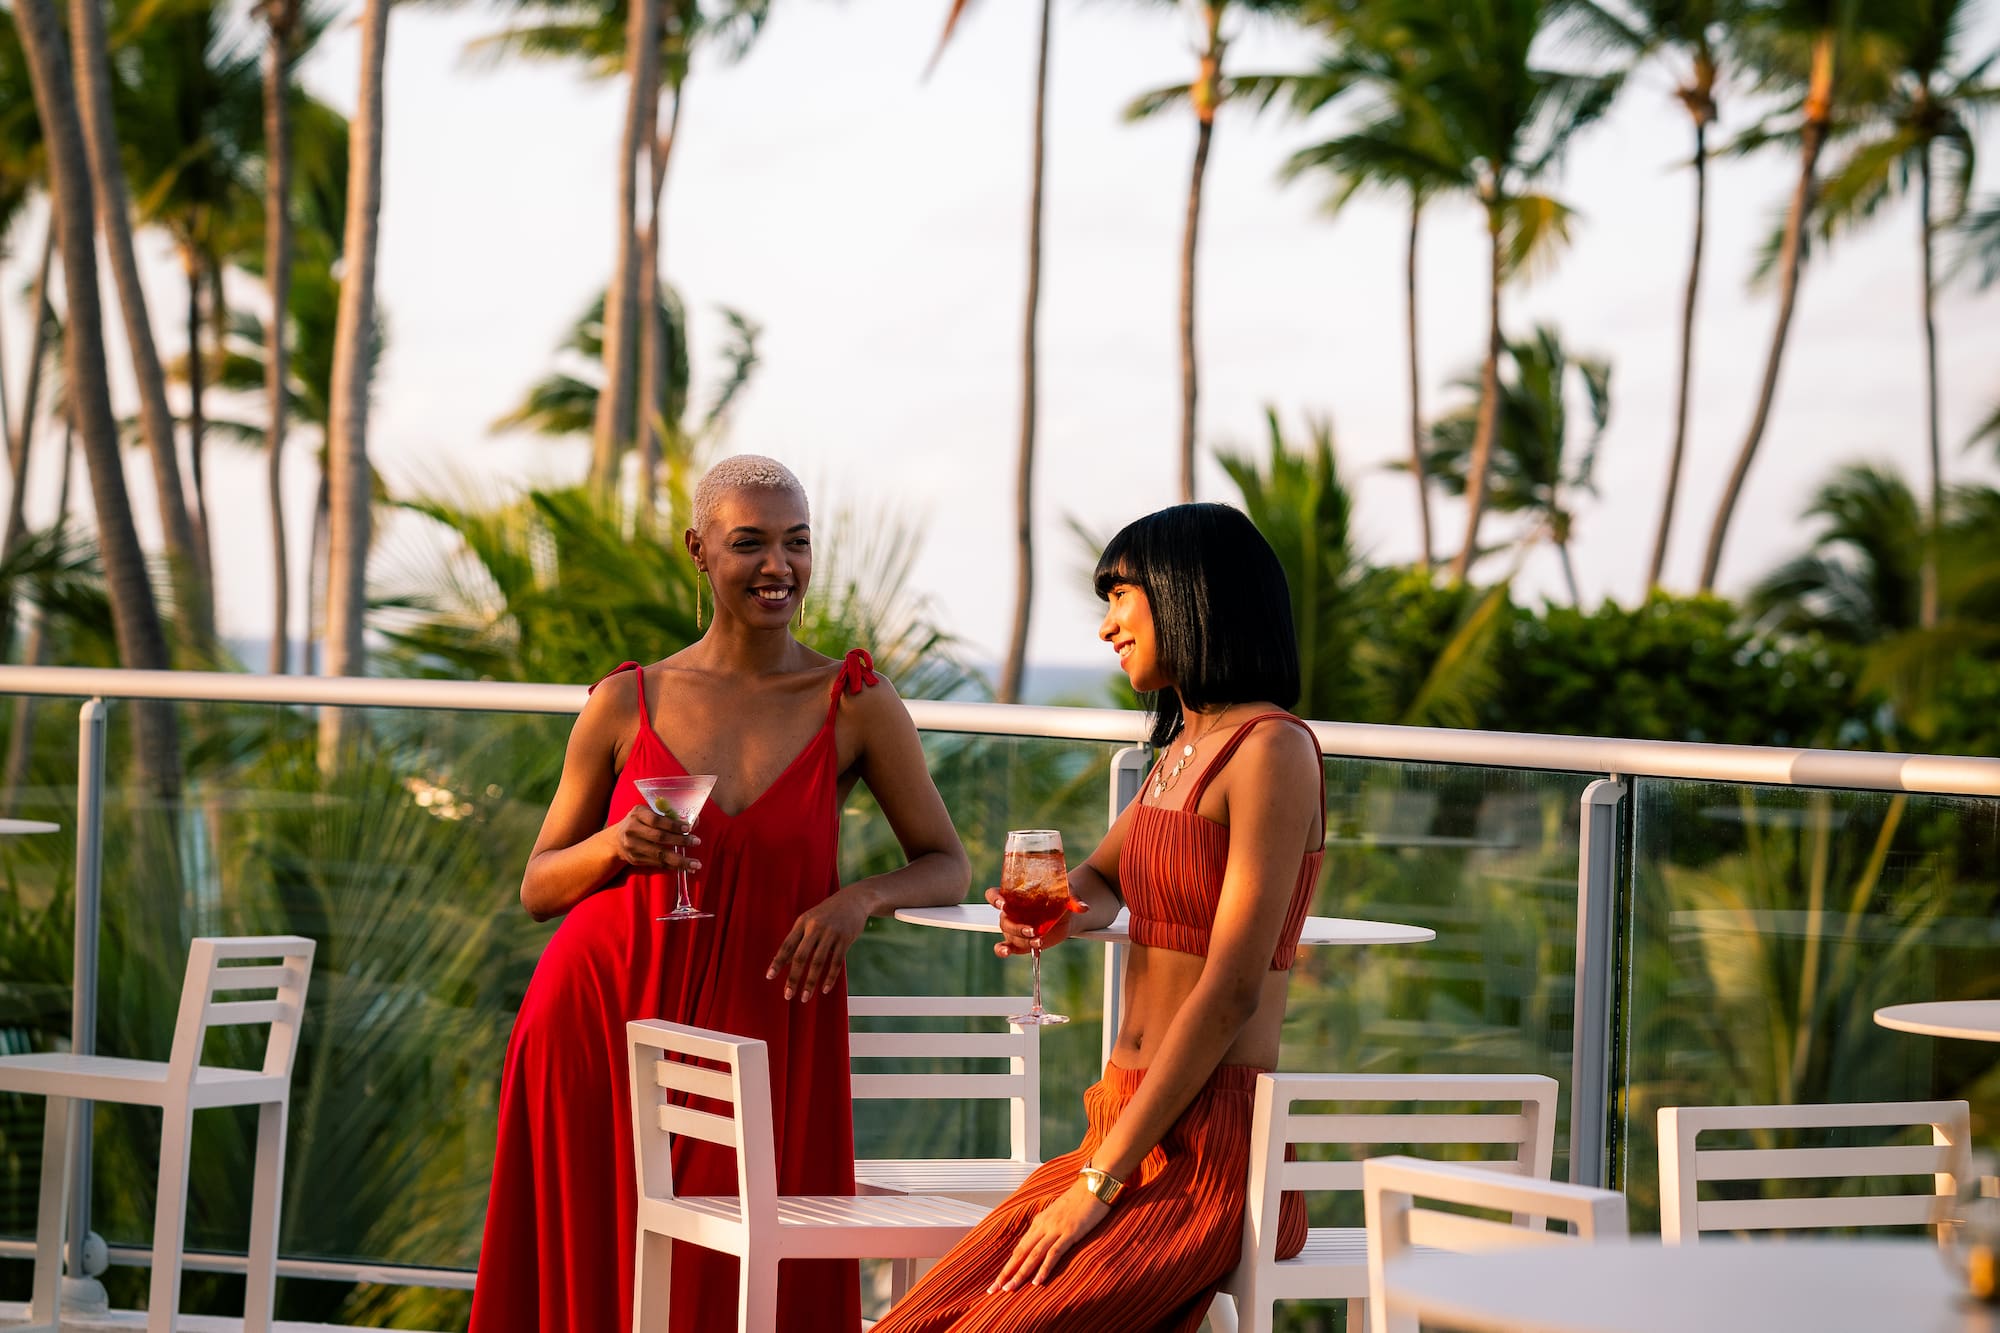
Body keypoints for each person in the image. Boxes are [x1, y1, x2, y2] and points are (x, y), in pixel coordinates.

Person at [468, 455, 970, 1333]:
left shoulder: (853, 702)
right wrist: (616, 848)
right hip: (599, 1017)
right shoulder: (627, 700)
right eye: (750, 544)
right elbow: (539, 885)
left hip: (756, 1028)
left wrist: (860, 899)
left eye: (797, 544)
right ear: (698, 550)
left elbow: (946, 862)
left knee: (722, 1282)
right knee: (601, 1269)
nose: (779, 566)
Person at [874, 502, 1320, 1333]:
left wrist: (1096, 1188)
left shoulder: (1271, 749)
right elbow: (1105, 876)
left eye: (1123, 596)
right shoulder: (1181, 749)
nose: (1109, 625)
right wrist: (1055, 914)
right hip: (1118, 1121)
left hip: (1210, 1154)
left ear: (1192, 594)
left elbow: (1230, 994)